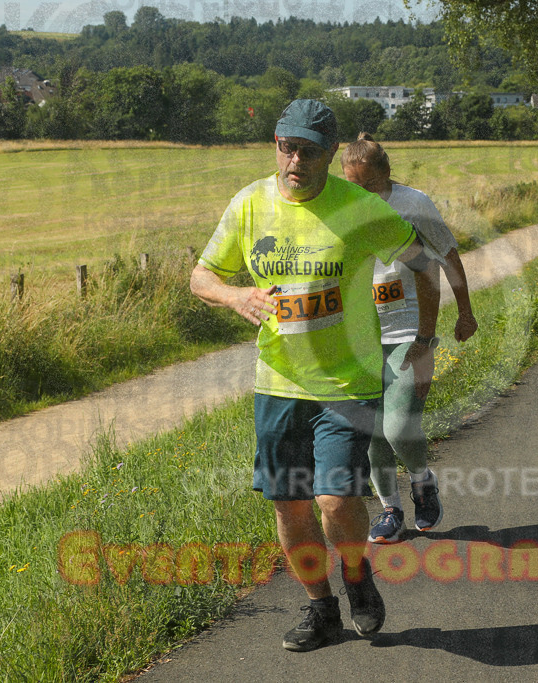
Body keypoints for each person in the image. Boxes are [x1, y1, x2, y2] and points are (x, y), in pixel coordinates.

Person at [190, 99, 438, 653]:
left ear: (330, 154)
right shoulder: (250, 203)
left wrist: (423, 340)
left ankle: (356, 574)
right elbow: (200, 277)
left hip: (347, 382)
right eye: (287, 148)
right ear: (275, 144)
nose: (295, 161)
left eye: (308, 151)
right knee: (290, 504)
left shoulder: (358, 206)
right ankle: (321, 609)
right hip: (278, 383)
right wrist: (235, 295)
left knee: (333, 498)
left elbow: (424, 265)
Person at [340, 133, 478, 544]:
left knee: (399, 427)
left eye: (370, 184)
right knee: (372, 432)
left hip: (410, 329)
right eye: (354, 185)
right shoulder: (341, 207)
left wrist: (465, 312)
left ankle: (422, 480)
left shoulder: (414, 203)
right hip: (362, 333)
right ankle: (391, 510)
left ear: (387, 173)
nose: (363, 193)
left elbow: (447, 255)